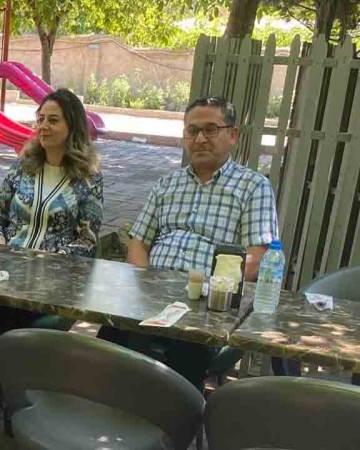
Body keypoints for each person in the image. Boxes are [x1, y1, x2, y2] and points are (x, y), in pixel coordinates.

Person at [98, 96, 279, 388]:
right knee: (109, 336)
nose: (200, 139)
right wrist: (145, 284)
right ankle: (108, 404)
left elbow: (255, 257)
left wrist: (208, 291)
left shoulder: (253, 187)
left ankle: (175, 413)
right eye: (192, 131)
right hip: (152, 294)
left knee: (180, 359)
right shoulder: (167, 184)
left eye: (211, 129)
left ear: (233, 135)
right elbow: (138, 243)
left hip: (207, 305)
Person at [0, 89, 104, 334]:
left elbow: (87, 241)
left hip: (50, 282)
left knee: (4, 319)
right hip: (5, 270)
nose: (43, 126)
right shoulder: (22, 166)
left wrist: (48, 260)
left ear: (72, 127)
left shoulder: (88, 179)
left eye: (53, 120)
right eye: (40, 119)